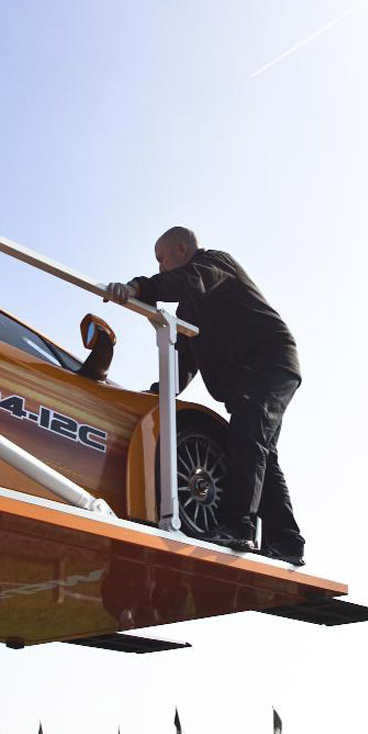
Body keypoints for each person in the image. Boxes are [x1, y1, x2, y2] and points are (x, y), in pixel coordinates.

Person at [104, 230, 304, 562]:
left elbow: (189, 281)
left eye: (161, 258)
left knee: (247, 435)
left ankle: (238, 525)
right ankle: (287, 540)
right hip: (249, 379)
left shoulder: (214, 264)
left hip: (270, 362)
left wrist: (139, 287)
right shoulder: (190, 310)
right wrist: (156, 395)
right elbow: (182, 362)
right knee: (261, 451)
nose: (160, 266)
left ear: (182, 249)